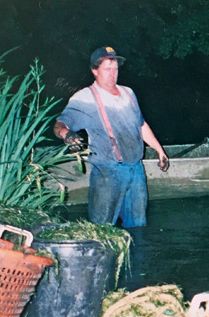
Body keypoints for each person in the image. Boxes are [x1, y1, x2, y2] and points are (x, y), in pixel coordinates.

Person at [53, 46, 170, 227]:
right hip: (107, 172)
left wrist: (160, 150)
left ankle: (136, 254)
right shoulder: (84, 98)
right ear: (94, 70)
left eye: (115, 68)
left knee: (138, 225)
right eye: (107, 69)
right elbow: (60, 124)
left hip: (136, 170)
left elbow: (141, 125)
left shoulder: (128, 93)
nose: (113, 73)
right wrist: (66, 134)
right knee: (102, 228)